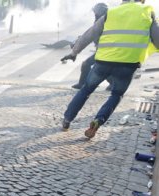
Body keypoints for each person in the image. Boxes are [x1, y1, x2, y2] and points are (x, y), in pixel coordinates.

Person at [60, 0, 159, 139]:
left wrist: (74, 53)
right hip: (128, 65)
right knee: (116, 95)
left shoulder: (111, 12)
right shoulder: (148, 12)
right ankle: (98, 121)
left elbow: (89, 34)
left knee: (86, 90)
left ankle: (67, 120)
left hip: (103, 61)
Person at [71, 3, 110, 90]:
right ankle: (82, 83)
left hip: (105, 51)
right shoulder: (103, 20)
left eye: (95, 12)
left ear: (98, 12)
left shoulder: (103, 21)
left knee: (93, 66)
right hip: (103, 50)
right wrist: (79, 40)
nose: (94, 14)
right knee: (98, 66)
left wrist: (77, 45)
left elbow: (91, 36)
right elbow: (90, 33)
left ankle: (113, 84)